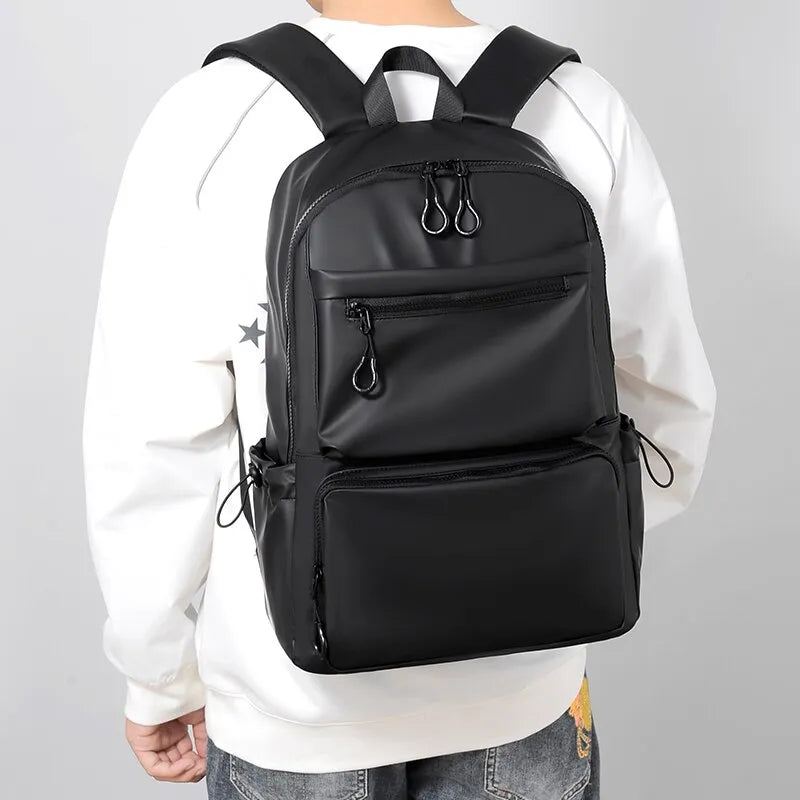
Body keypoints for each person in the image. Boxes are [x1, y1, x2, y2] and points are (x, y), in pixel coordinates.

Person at [82, 0, 716, 796]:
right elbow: (670, 404)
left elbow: (151, 441)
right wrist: (543, 540)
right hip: (527, 691)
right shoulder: (580, 105)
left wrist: (159, 677)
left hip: (295, 699)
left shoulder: (211, 114)